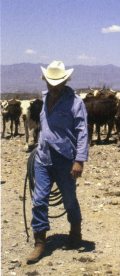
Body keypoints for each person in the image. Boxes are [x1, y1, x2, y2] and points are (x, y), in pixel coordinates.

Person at [27, 61, 89, 264]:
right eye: (50, 83)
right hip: (43, 157)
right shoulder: (44, 99)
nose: (53, 87)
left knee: (69, 199)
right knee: (39, 199)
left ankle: (75, 233)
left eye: (57, 83)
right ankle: (40, 242)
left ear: (64, 82)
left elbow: (82, 132)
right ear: (45, 81)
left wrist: (79, 159)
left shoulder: (75, 102)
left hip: (65, 159)